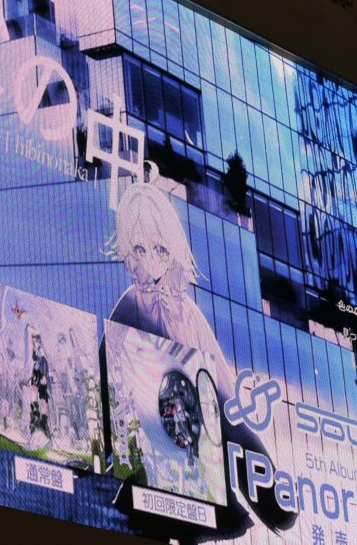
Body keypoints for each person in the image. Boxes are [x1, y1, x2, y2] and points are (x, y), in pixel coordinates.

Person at [105, 181, 294, 541]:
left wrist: (269, 491)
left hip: (196, 469)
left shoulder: (188, 315)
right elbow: (103, 378)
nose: (150, 262)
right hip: (152, 465)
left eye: (159, 249)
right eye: (139, 249)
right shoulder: (130, 305)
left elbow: (227, 406)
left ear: (173, 250)